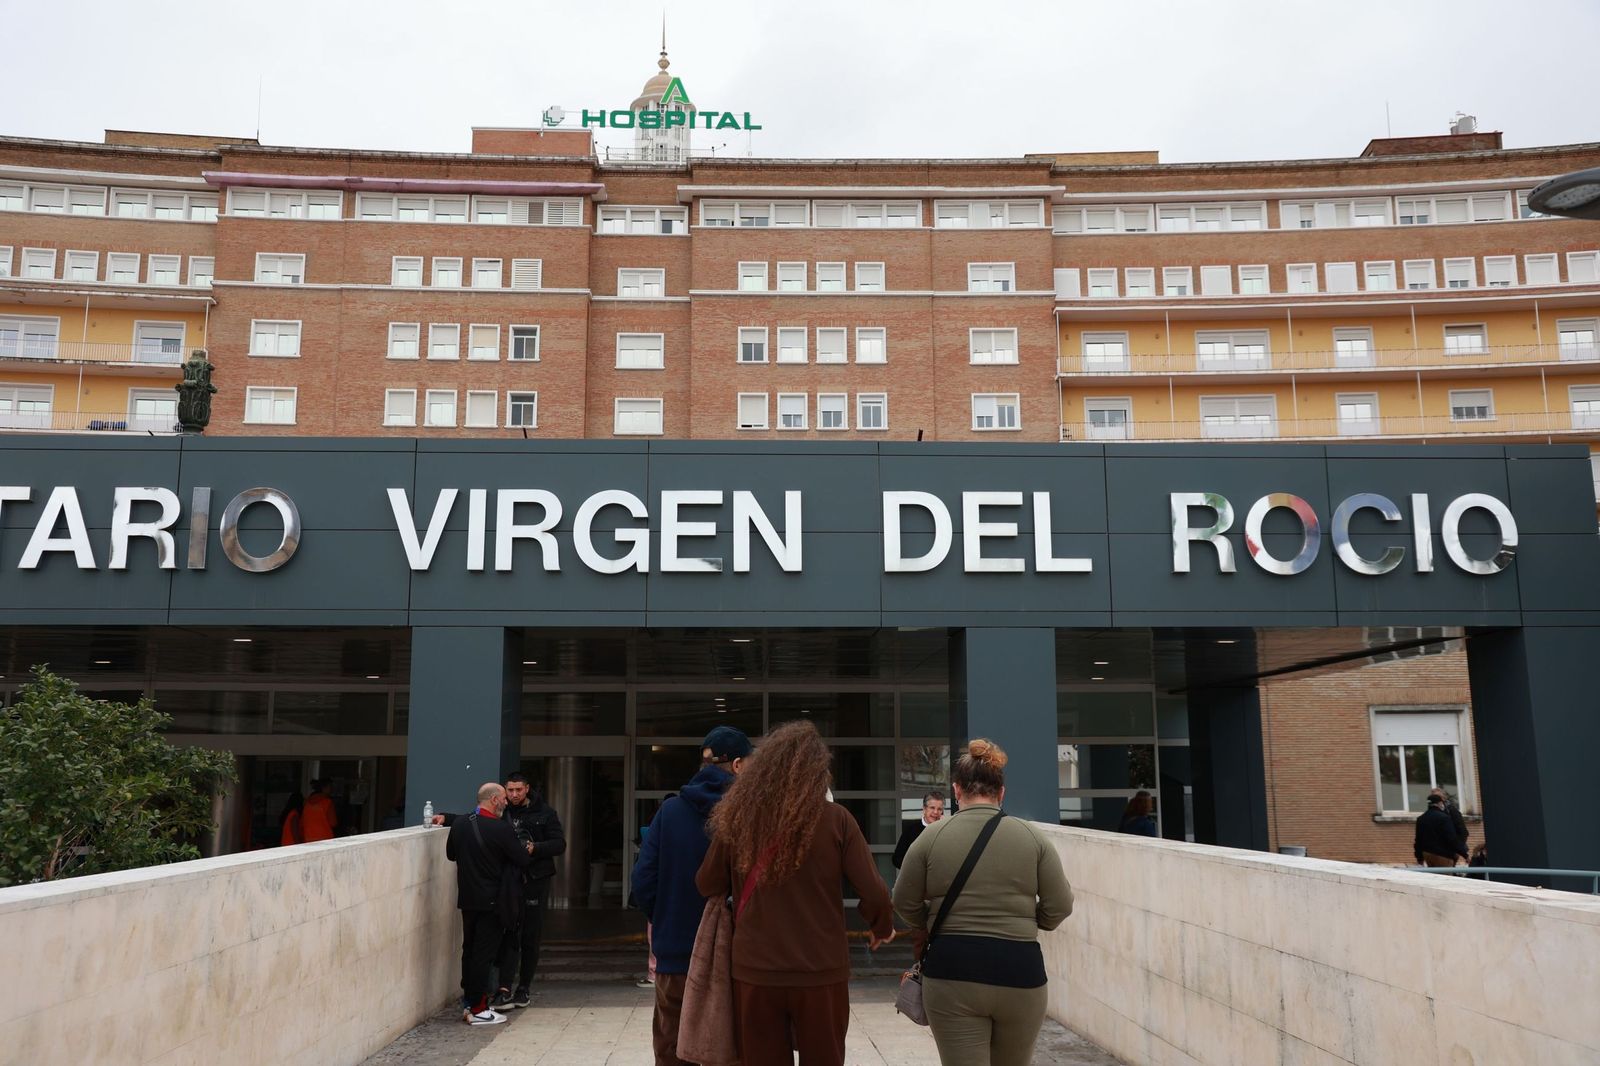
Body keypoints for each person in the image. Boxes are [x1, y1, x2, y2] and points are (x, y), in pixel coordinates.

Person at [696, 720, 895, 1066]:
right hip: (821, 970)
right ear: (818, 771)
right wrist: (880, 927)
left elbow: (707, 883)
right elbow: (875, 891)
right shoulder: (837, 820)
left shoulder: (739, 818)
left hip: (755, 970)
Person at [893, 739, 1075, 1066]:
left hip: (952, 971)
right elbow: (1059, 906)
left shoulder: (930, 839)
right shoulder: (1033, 839)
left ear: (956, 790)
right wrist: (1029, 920)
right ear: (1001, 792)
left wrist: (928, 921)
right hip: (1020, 971)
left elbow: (902, 900)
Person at [633, 729, 749, 1066]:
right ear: (739, 765)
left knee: (672, 1047)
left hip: (676, 956)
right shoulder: (748, 815)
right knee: (732, 1049)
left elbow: (643, 881)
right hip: (735, 957)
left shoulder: (669, 812)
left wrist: (667, 918)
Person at [446, 781, 534, 1026]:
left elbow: (451, 854)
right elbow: (521, 859)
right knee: (483, 956)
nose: (507, 802)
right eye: (504, 798)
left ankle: (468, 1004)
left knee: (469, 951)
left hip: (467, 899)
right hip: (493, 901)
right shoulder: (500, 829)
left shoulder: (461, 823)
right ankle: (479, 1008)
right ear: (494, 800)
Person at [486, 772, 566, 1011]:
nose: (514, 795)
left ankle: (524, 988)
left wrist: (535, 848)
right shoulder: (502, 811)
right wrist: (445, 818)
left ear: (527, 788)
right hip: (508, 880)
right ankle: (504, 988)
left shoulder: (546, 813)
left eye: (518, 790)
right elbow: (475, 819)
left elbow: (559, 844)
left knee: (530, 936)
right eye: (510, 790)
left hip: (535, 880)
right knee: (509, 932)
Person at [892, 792, 946, 869]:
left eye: (939, 809)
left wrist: (944, 826)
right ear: (924, 809)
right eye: (932, 808)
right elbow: (897, 859)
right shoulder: (910, 830)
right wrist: (916, 869)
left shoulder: (946, 830)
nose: (935, 812)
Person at [1414, 791, 1469, 867]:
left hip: (1427, 854)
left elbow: (1418, 840)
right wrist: (1465, 854)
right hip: (1443, 855)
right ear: (1440, 803)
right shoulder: (1444, 818)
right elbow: (1451, 838)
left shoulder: (1421, 819)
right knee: (1446, 877)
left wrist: (1419, 858)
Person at [1428, 786, 1469, 854]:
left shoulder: (1451, 811)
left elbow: (1463, 831)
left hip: (1450, 849)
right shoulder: (1431, 812)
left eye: (1438, 797)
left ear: (1444, 798)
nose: (1435, 800)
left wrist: (1457, 847)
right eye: (1433, 797)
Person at [301, 778, 338, 842]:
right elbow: (333, 823)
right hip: (324, 838)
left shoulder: (306, 802)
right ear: (324, 788)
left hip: (308, 837)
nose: (332, 790)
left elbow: (302, 821)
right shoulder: (327, 802)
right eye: (330, 787)